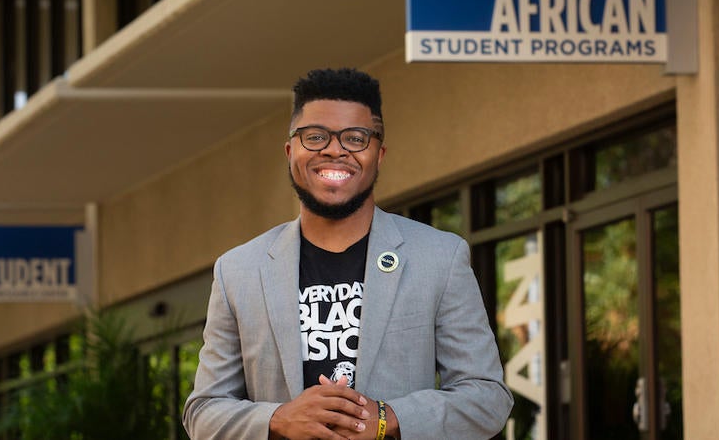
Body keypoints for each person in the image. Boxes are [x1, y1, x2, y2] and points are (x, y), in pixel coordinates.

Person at [182, 68, 512, 440]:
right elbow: (203, 411)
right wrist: (278, 419)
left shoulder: (440, 257)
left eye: (355, 138)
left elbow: (488, 397)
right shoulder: (238, 271)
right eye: (315, 136)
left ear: (379, 153)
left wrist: (389, 417)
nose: (335, 149)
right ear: (291, 151)